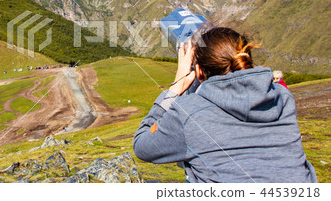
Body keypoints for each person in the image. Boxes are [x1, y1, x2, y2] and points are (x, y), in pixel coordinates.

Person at [133, 27, 316, 183]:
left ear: (199, 71)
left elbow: (142, 145)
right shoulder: (282, 97)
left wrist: (175, 89)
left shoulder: (189, 112)